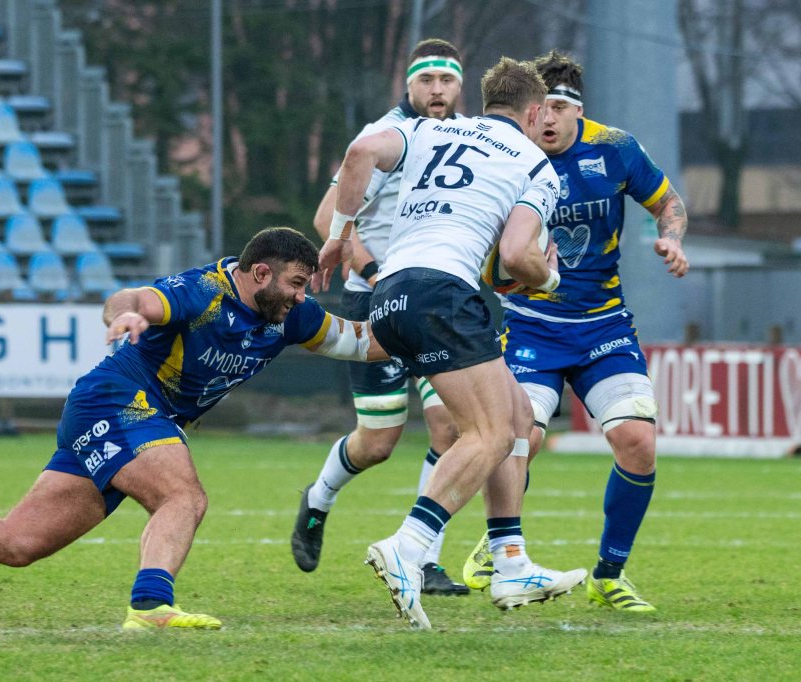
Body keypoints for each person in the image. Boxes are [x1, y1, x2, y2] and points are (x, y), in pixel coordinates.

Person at [0, 227, 388, 631]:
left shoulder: (290, 315)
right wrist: (125, 315)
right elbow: (132, 297)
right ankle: (151, 605)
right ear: (260, 273)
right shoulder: (203, 292)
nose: (302, 296)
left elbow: (361, 343)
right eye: (295, 283)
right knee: (183, 496)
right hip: (116, 400)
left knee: (17, 543)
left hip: (133, 419)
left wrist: (426, 335)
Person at [314, 57, 586, 629]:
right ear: (535, 112)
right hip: (442, 293)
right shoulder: (534, 163)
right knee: (488, 433)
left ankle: (511, 563)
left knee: (515, 413)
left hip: (389, 291)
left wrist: (340, 236)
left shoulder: (424, 129)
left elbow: (360, 152)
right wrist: (549, 278)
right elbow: (516, 256)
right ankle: (408, 547)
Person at [461, 51, 689, 612]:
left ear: (577, 111)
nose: (548, 120)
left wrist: (671, 237)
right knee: (522, 438)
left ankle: (608, 575)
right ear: (528, 110)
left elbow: (668, 202)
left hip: (603, 325)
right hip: (533, 328)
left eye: (559, 109)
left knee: (638, 441)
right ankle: (499, 545)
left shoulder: (615, 148)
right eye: (540, 109)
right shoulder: (508, 156)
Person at [291, 38, 467, 596]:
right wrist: (371, 271)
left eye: (446, 80)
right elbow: (328, 216)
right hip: (375, 300)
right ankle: (318, 498)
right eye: (426, 80)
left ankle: (424, 557)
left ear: (460, 87)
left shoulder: (467, 139)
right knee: (378, 442)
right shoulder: (385, 137)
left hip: (436, 301)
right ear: (408, 85)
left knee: (451, 426)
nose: (436, 90)